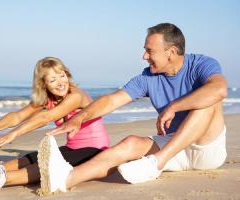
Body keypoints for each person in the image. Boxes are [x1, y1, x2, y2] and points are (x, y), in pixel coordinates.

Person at [37, 23, 228, 195]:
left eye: (149, 51)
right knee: (129, 143)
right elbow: (112, 100)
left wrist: (173, 107)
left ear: (170, 52)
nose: (144, 56)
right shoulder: (147, 77)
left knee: (209, 99)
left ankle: (158, 161)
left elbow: (219, 89)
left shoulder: (201, 64)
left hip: (206, 148)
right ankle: (65, 178)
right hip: (175, 145)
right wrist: (81, 116)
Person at [0, 57, 110, 195]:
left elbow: (47, 117)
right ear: (44, 84)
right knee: (31, 158)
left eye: (62, 76)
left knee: (46, 166)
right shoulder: (48, 98)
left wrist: (12, 135)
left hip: (95, 151)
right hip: (72, 148)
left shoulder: (76, 96)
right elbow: (18, 116)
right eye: (53, 80)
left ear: (67, 74)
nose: (60, 83)